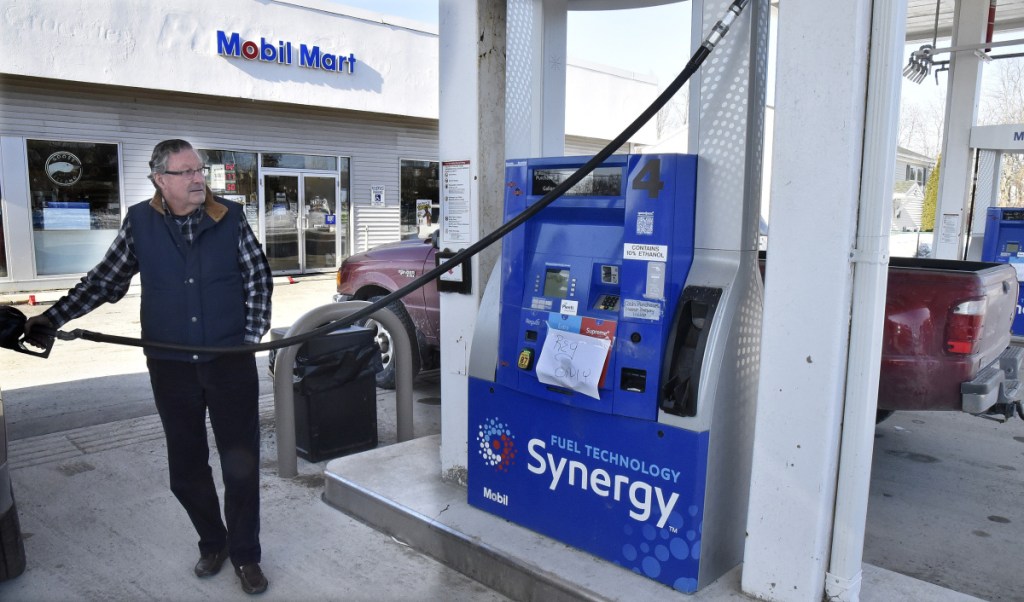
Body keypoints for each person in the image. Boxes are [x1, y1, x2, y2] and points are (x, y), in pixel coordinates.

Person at [25, 139, 273, 595]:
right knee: (186, 466)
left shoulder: (231, 218)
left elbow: (258, 278)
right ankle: (213, 541)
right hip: (171, 367)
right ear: (161, 179)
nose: (199, 178)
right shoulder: (141, 222)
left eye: (200, 170)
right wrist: (52, 317)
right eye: (185, 172)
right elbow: (105, 279)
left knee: (241, 466)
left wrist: (249, 339)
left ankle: (245, 554)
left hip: (228, 365)